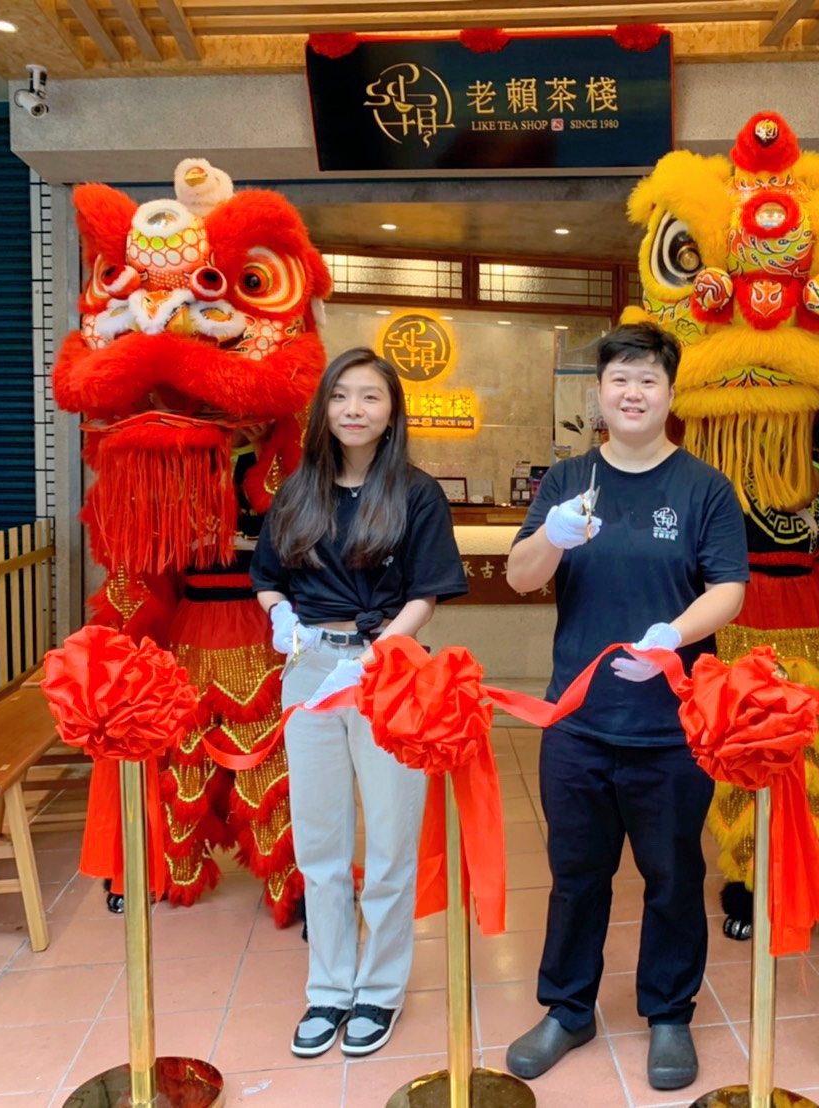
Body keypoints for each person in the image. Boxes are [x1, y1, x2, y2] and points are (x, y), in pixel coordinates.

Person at [504, 322, 749, 1091]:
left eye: (648, 380)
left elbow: (729, 589)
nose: (633, 393)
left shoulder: (704, 488)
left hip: (672, 725)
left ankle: (669, 1013)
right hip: (576, 722)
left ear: (670, 393)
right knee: (576, 872)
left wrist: (674, 636)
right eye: (620, 379)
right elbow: (519, 575)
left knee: (673, 874)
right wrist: (552, 535)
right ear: (600, 393)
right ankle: (567, 1008)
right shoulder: (567, 480)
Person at [251, 348, 466, 1059]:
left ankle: (379, 989)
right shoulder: (298, 490)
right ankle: (329, 988)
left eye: (370, 396)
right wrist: (280, 616)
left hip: (387, 670)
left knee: (392, 841)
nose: (353, 409)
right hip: (310, 669)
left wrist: (380, 650)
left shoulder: (416, 493)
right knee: (319, 840)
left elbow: (427, 593)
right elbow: (267, 576)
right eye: (341, 395)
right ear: (324, 408)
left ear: (392, 410)